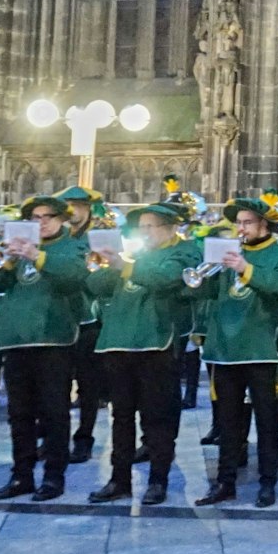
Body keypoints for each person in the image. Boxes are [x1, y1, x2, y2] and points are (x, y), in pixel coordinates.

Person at [86, 202, 198, 505]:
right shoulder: (132, 255)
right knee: (121, 417)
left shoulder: (184, 251)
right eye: (142, 227)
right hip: (118, 343)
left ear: (171, 228)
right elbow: (96, 286)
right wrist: (102, 263)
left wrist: (125, 265)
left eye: (151, 226)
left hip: (156, 345)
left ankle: (158, 480)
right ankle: (118, 479)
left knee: (158, 417)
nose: (145, 232)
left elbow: (166, 278)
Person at [194, 197, 278, 508]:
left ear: (263, 225)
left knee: (267, 423)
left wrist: (244, 268)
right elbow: (206, 293)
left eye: (247, 223)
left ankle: (268, 483)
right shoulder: (226, 253)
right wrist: (201, 276)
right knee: (227, 423)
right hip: (225, 350)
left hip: (261, 349)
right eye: (238, 223)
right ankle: (225, 482)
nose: (241, 228)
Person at [0, 195, 88, 502]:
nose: (40, 222)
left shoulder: (72, 245)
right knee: (19, 414)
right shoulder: (16, 249)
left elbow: (73, 276)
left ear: (62, 219)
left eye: (47, 217)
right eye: (34, 218)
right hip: (16, 339)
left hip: (53, 339)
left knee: (55, 412)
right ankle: (21, 475)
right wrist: (8, 259)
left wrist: (36, 255)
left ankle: (54, 476)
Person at [58, 186, 109, 464]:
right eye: (68, 205)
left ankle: (84, 438)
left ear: (88, 209)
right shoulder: (57, 237)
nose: (72, 211)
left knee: (89, 386)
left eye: (78, 205)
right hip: (59, 318)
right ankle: (55, 438)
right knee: (56, 386)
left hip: (89, 318)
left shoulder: (98, 237)